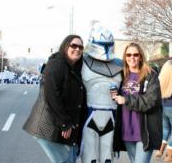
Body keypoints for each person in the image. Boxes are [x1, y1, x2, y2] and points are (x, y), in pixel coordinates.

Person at [23, 35, 87, 163]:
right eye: (73, 45)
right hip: (49, 126)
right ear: (65, 46)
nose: (77, 49)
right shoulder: (57, 64)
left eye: (80, 47)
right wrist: (65, 123)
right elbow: (51, 95)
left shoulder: (73, 68)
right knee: (66, 161)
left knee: (70, 159)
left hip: (60, 126)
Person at [112, 42, 162, 163]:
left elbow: (151, 101)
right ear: (125, 57)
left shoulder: (150, 76)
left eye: (135, 54)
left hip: (144, 132)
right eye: (128, 55)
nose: (132, 57)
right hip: (126, 131)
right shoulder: (121, 76)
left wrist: (126, 99)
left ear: (140, 57)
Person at [80, 23, 123, 163]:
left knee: (107, 158)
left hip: (111, 115)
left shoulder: (120, 65)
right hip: (90, 113)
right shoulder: (82, 62)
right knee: (89, 157)